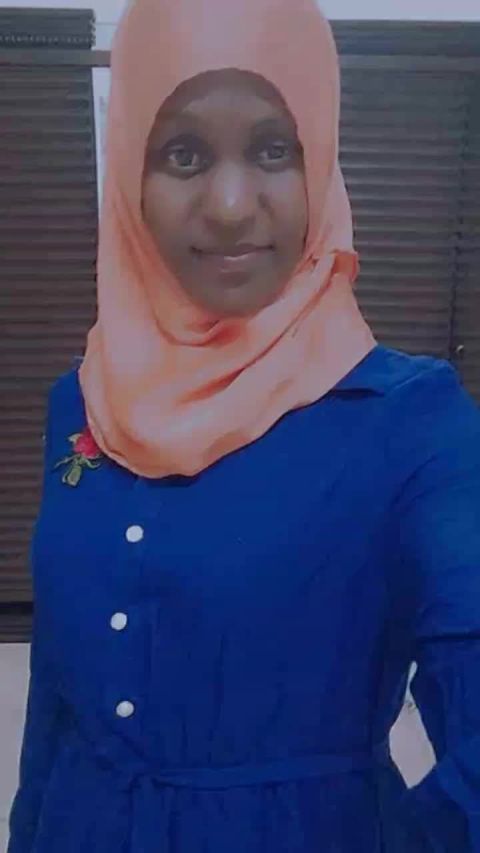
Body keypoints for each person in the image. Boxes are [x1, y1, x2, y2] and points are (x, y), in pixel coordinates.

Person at [7, 0, 480, 850]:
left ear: (321, 158)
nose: (230, 206)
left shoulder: (409, 422)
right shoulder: (82, 401)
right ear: (128, 173)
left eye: (273, 149)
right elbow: (56, 698)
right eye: (182, 154)